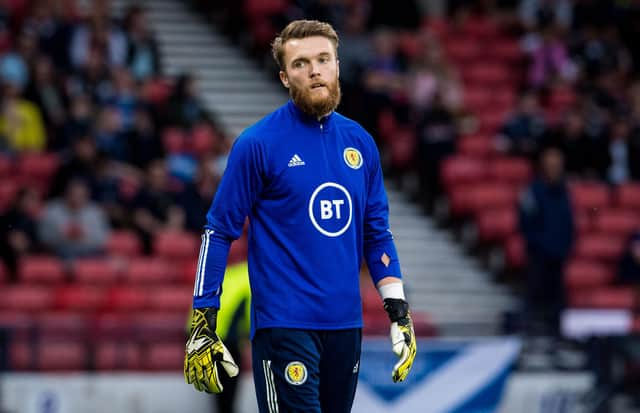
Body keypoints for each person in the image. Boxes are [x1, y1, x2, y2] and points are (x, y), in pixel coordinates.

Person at [184, 19, 416, 413]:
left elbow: (376, 234)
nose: (314, 71)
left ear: (338, 66)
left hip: (346, 327)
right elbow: (218, 231)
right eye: (300, 64)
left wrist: (398, 308)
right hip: (283, 325)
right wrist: (203, 318)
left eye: (324, 59)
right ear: (284, 77)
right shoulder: (257, 145)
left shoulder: (361, 143)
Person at [518, 146, 575, 335]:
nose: (554, 168)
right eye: (551, 165)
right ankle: (529, 336)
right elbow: (525, 222)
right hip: (539, 256)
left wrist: (566, 246)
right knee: (533, 298)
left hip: (559, 255)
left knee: (557, 302)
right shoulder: (533, 191)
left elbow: (569, 223)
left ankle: (556, 337)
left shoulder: (565, 191)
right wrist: (539, 245)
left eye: (557, 165)